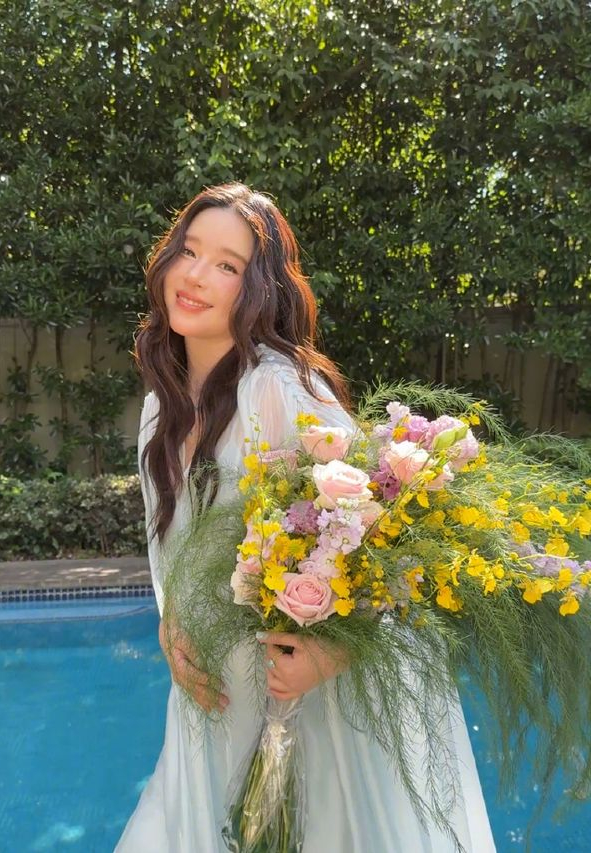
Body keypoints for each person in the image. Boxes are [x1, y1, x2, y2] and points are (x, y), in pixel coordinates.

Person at [114, 182, 496, 852]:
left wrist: (334, 650)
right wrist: (171, 620)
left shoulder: (278, 387)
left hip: (298, 698)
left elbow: (390, 537)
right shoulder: (160, 405)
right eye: (189, 251)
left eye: (227, 265)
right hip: (211, 693)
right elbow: (171, 550)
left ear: (257, 289)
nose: (195, 276)